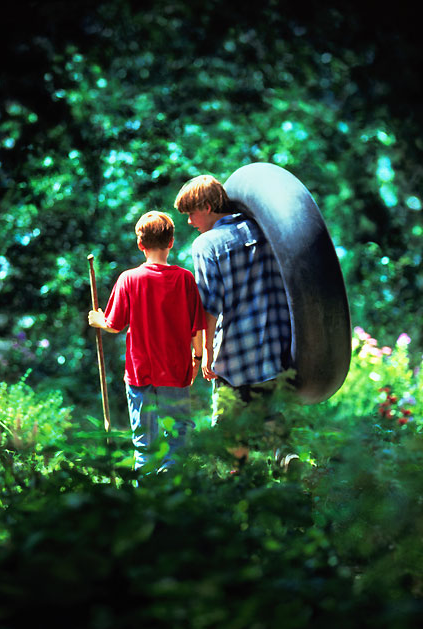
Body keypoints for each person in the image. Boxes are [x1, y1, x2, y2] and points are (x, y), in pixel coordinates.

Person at [174, 175, 297, 469]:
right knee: (265, 409)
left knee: (228, 424)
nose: (190, 222)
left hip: (235, 349)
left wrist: (205, 354)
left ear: (206, 206)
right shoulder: (263, 229)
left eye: (192, 213)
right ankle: (285, 455)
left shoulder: (206, 245)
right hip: (274, 342)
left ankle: (235, 483)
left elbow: (210, 305)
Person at [88, 211, 207, 472]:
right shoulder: (185, 279)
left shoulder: (128, 279)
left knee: (144, 443)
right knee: (178, 436)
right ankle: (171, 492)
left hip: (141, 374)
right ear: (171, 242)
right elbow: (197, 328)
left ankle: (145, 500)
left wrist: (98, 320)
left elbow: (114, 324)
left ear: (140, 244)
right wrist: (198, 359)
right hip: (175, 373)